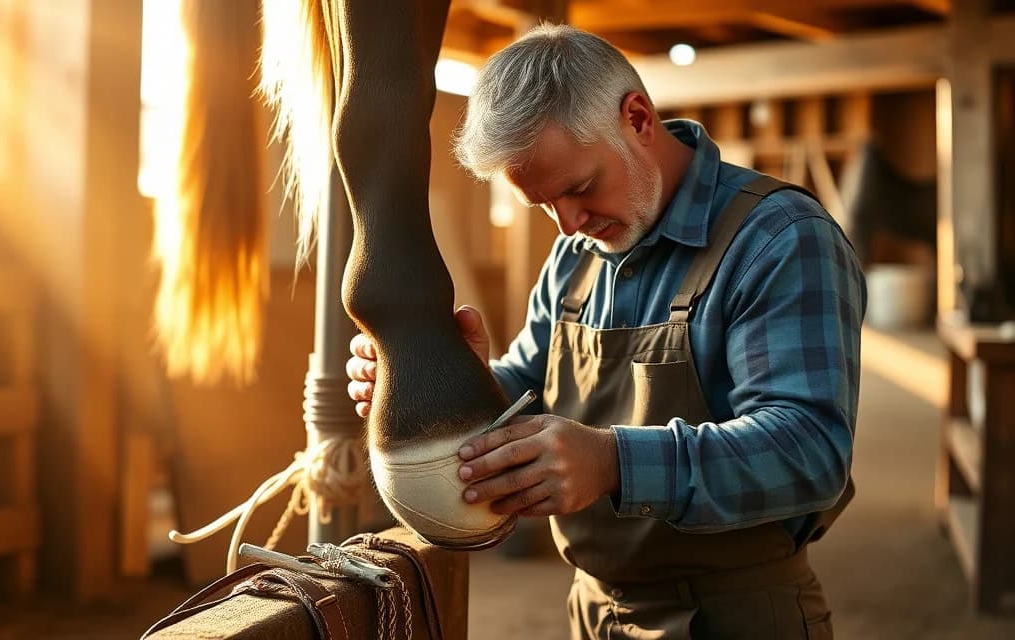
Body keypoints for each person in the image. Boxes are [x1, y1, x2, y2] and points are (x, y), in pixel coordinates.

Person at [346, 23, 864, 640]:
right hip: (594, 611)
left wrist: (614, 462)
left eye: (581, 188)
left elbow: (809, 451)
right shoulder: (577, 254)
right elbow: (534, 395)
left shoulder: (778, 239)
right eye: (544, 205)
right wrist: (461, 384)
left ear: (638, 118)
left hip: (734, 614)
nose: (567, 225)